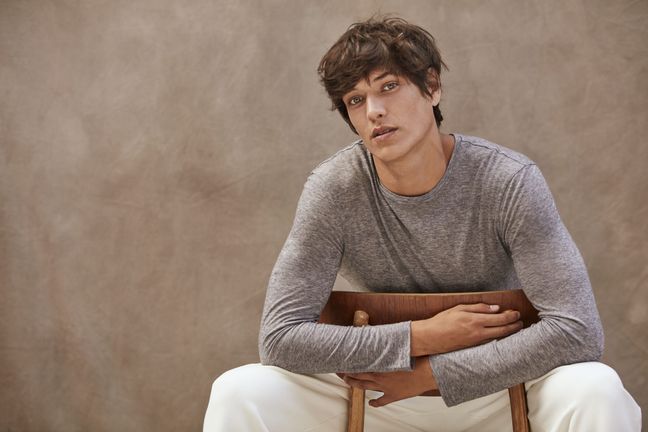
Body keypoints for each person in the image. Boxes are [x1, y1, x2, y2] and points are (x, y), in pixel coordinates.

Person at [203, 16, 641, 431]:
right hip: (379, 389)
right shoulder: (333, 189)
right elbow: (279, 338)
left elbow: (578, 330)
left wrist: (433, 373)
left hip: (500, 384)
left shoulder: (509, 181)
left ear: (432, 87)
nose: (374, 111)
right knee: (239, 391)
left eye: (389, 86)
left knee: (596, 388)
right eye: (355, 100)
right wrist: (421, 337)